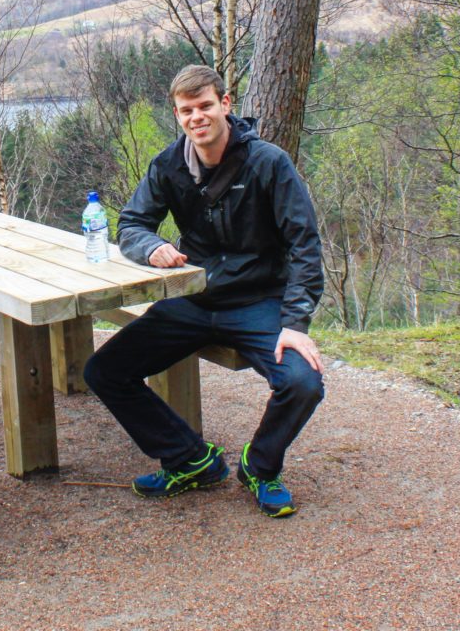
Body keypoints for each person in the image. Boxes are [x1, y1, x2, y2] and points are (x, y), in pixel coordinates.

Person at [83, 64, 325, 517]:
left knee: (302, 382)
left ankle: (261, 466)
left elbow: (304, 246)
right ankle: (190, 460)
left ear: (225, 105)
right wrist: (152, 247)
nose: (196, 117)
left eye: (205, 106)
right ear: (177, 115)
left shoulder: (268, 163)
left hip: (258, 303)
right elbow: (132, 224)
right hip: (192, 300)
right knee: (104, 371)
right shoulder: (169, 164)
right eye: (186, 110)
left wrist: (294, 323)